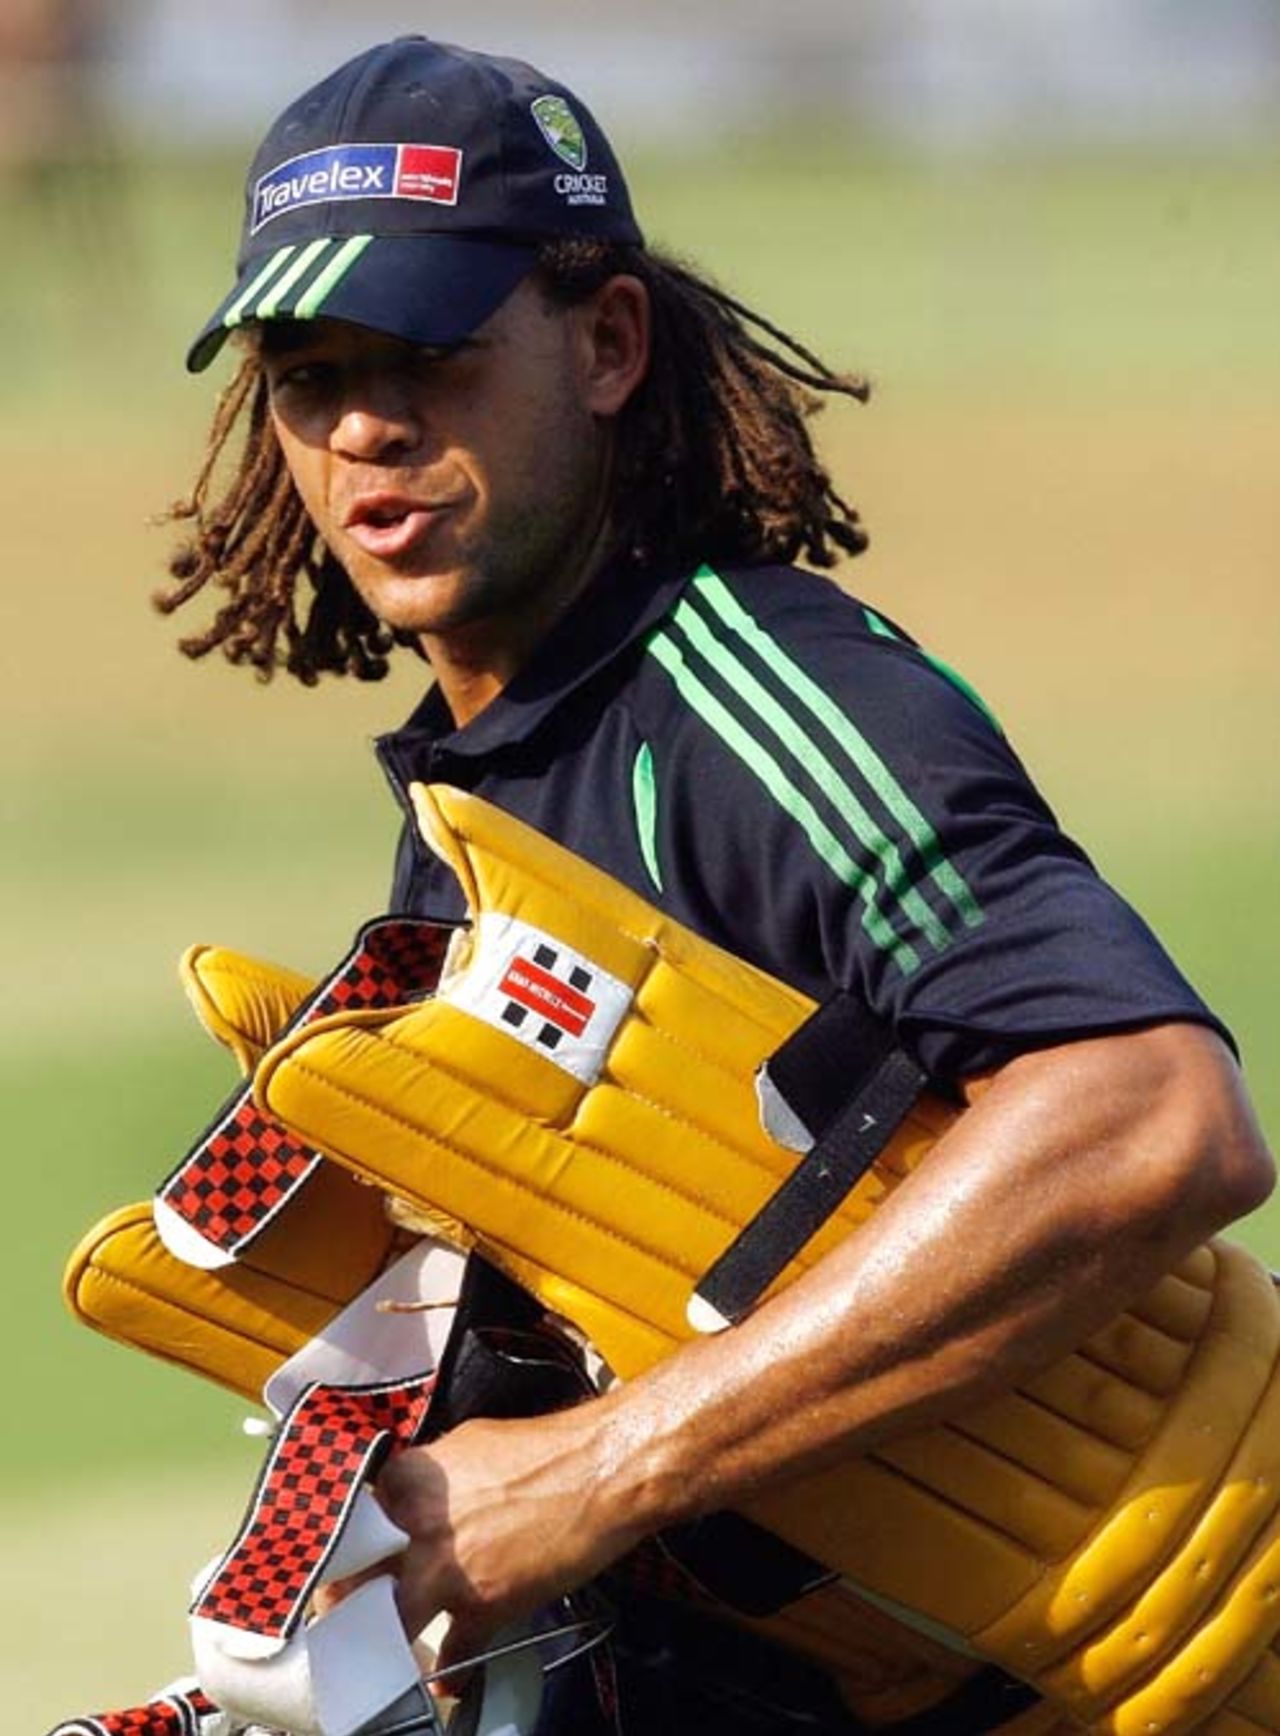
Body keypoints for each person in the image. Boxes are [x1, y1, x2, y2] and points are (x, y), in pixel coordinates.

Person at [157, 34, 1272, 1736]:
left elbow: (1151, 1112)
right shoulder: (491, 775)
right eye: (309, 376)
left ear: (607, 346)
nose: (366, 425)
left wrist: (602, 1474)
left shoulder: (755, 708)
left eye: (430, 352)